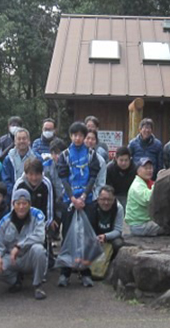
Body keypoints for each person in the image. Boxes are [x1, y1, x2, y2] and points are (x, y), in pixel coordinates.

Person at [56, 122, 100, 288]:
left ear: (84, 136)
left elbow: (93, 177)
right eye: (74, 135)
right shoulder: (65, 155)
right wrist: (72, 198)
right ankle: (65, 273)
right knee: (67, 235)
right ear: (70, 136)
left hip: (87, 201)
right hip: (69, 202)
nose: (77, 138)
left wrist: (83, 196)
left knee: (87, 237)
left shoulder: (91, 154)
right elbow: (63, 178)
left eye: (80, 135)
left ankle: (85, 272)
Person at [0, 188, 48, 300]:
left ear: (29, 204)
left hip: (29, 256)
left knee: (39, 250)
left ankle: (38, 286)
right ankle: (15, 281)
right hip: (12, 259)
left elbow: (40, 236)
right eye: (18, 203)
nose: (21, 207)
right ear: (13, 204)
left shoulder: (38, 216)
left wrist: (19, 246)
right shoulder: (4, 222)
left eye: (24, 203)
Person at [125, 157, 163, 237]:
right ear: (138, 171)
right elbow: (149, 199)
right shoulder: (137, 185)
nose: (149, 170)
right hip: (139, 225)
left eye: (150, 168)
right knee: (168, 227)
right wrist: (159, 181)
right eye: (146, 168)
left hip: (144, 222)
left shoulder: (146, 182)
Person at [13, 158, 54, 229]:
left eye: (37, 174)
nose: (34, 178)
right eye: (31, 174)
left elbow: (49, 207)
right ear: (26, 174)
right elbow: (14, 206)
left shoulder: (46, 184)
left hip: (41, 223)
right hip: (23, 223)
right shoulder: (19, 184)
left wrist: (47, 223)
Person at [88, 185, 124, 259]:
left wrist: (105, 236)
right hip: (94, 236)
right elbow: (87, 229)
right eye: (103, 199)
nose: (106, 203)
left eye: (109, 199)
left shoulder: (118, 208)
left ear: (114, 199)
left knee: (118, 244)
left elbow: (118, 230)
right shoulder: (91, 208)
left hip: (110, 236)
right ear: (98, 199)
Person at [1, 128, 36, 197]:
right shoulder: (8, 159)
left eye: (24, 138)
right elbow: (6, 180)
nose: (21, 141)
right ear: (14, 141)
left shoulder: (35, 158)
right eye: (19, 139)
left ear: (29, 141)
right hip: (12, 196)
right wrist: (14, 193)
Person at [84, 130, 107, 198]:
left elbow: (101, 183)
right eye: (88, 138)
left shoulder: (100, 160)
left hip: (93, 196)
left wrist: (95, 197)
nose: (90, 141)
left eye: (93, 139)